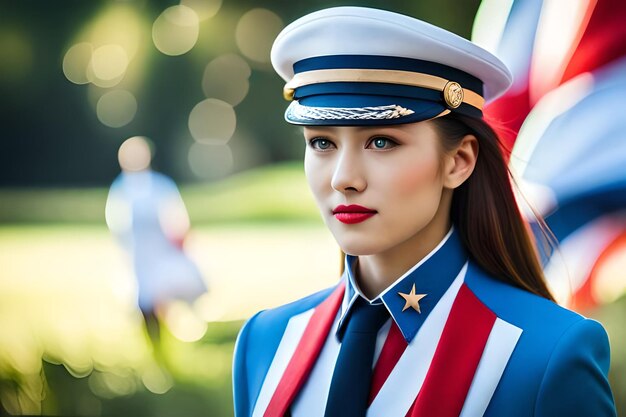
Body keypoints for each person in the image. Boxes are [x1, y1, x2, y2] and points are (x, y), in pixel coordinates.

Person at [232, 7, 616, 417]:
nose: (344, 179)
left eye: (381, 142)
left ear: (459, 161)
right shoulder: (265, 341)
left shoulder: (546, 354)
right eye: (322, 143)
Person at [105, 136, 208, 366]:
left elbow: (177, 219)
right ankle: (157, 350)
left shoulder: (160, 185)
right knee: (146, 303)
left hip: (163, 252)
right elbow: (118, 227)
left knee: (169, 295)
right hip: (139, 256)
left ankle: (172, 342)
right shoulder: (121, 189)